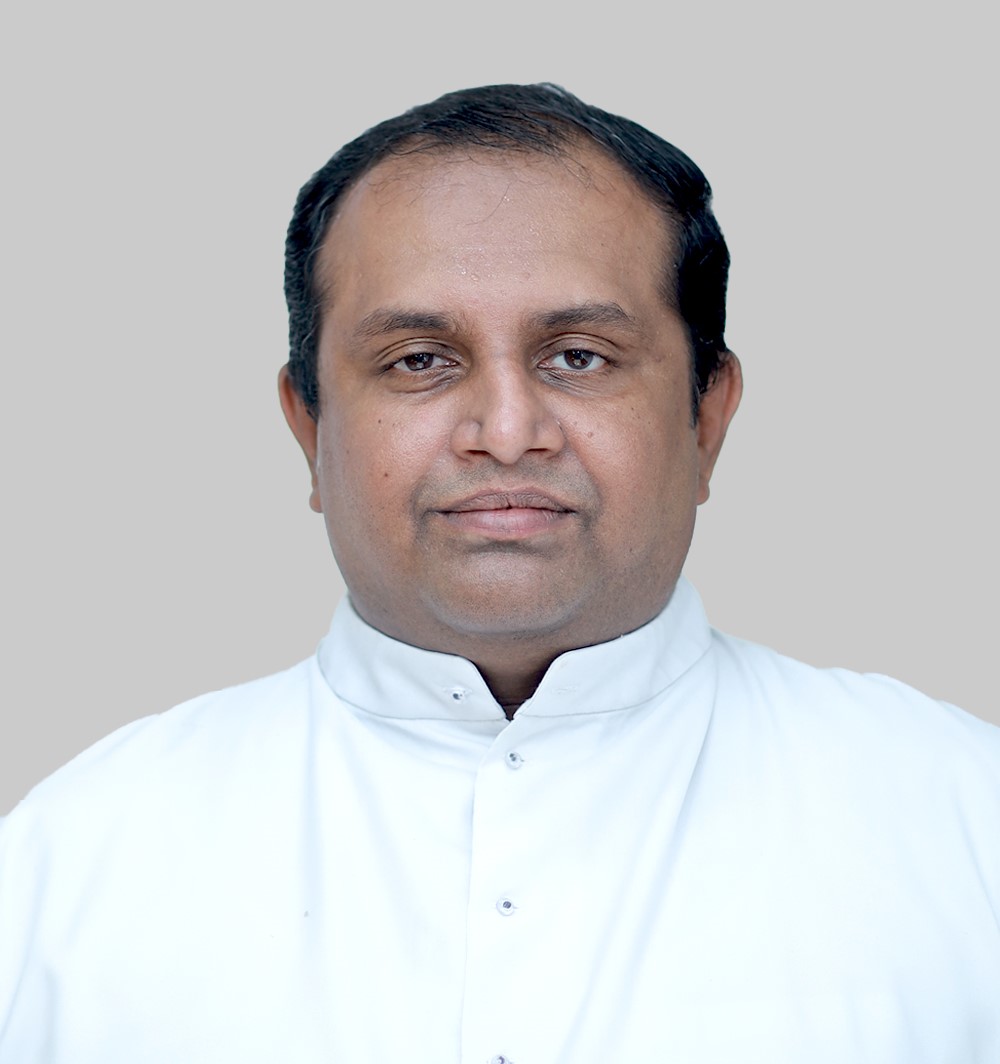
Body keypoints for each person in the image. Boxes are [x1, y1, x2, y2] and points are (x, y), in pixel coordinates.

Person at [0, 83, 997, 1063]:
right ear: (309, 427)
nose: (507, 431)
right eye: (418, 360)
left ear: (707, 416)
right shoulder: (65, 872)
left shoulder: (963, 824)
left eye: (579, 356)